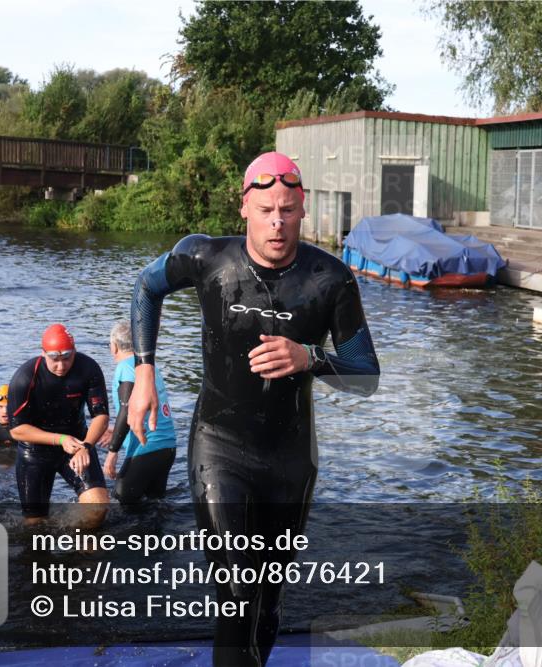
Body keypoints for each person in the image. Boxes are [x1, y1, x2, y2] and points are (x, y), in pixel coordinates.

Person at [128, 151, 380, 666]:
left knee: (267, 602)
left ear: (303, 210)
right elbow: (146, 288)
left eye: (287, 209)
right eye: (266, 209)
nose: (277, 222)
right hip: (220, 445)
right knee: (238, 594)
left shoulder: (329, 280)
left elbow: (366, 376)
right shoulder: (205, 258)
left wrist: (309, 357)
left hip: (290, 458)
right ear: (244, 207)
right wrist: (144, 372)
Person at [7, 324, 110, 524]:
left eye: (67, 358)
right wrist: (60, 439)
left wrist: (86, 446)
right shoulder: (26, 376)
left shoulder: (88, 368)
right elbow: (17, 431)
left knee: (98, 509)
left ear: (75, 352)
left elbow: (101, 416)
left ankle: (81, 549)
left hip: (77, 446)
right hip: (35, 451)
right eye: (54, 359)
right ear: (43, 354)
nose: (61, 366)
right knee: (34, 524)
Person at [103, 321, 177, 504]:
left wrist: (112, 453)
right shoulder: (149, 368)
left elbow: (127, 409)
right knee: (154, 507)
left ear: (114, 347)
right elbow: (146, 411)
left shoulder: (125, 368)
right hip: (167, 448)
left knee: (121, 505)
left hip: (146, 450)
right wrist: (117, 431)